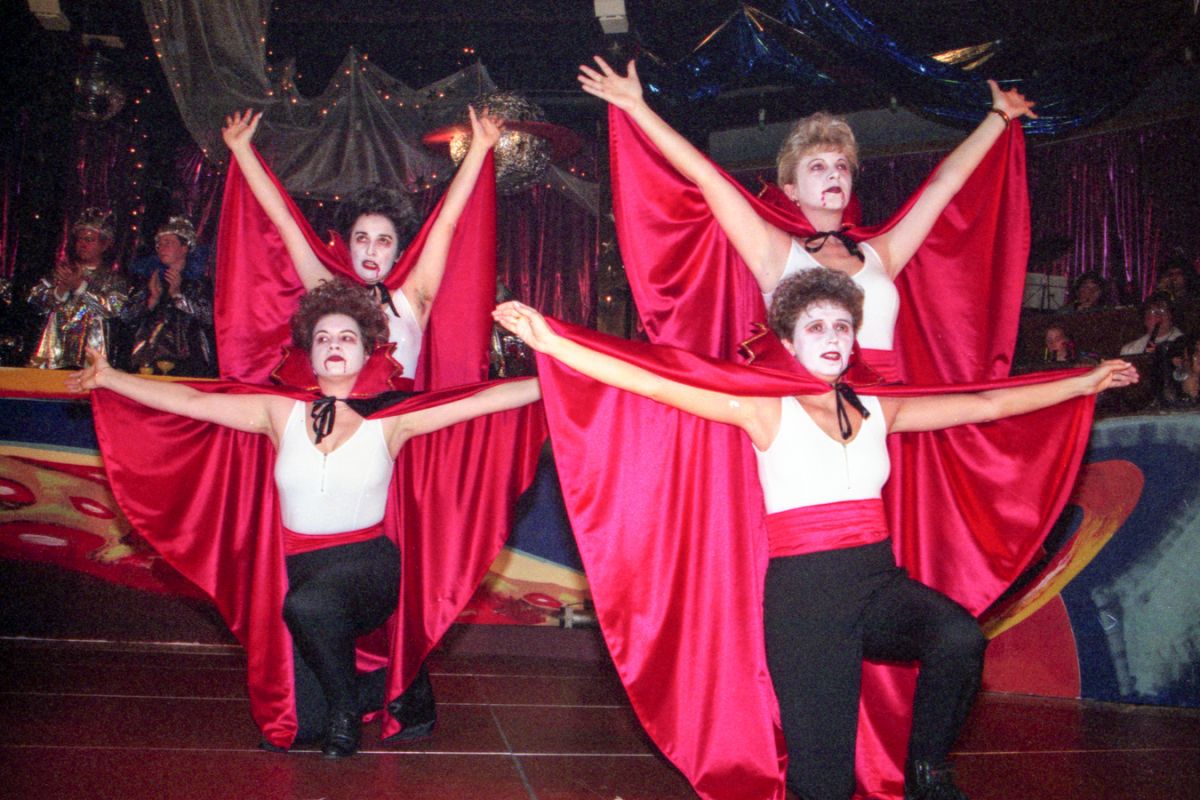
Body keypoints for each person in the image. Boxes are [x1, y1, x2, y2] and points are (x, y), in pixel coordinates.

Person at [494, 268, 1136, 800]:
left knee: (958, 637)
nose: (831, 335)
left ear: (854, 341)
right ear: (788, 341)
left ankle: (926, 772)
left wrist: (1083, 381)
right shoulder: (763, 409)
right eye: (815, 326)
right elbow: (655, 380)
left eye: (841, 326)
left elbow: (987, 403)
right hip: (806, 604)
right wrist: (553, 342)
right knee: (823, 785)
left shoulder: (881, 408)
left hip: (878, 583)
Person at [71, 279, 542, 758]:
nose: (334, 345)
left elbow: (482, 402)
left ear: (367, 353)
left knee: (308, 607)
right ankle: (393, 685)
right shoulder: (279, 412)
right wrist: (110, 378)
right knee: (303, 725)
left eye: (347, 338)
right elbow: (192, 403)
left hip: (368, 565)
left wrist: (560, 377)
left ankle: (346, 715)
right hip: (298, 566)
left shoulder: (393, 419)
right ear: (309, 355)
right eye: (323, 338)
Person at [578, 57, 1036, 378]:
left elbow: (944, 186)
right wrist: (636, 108)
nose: (834, 174)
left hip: (888, 406)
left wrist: (999, 116)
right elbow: (705, 177)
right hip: (805, 405)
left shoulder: (882, 253)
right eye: (817, 167)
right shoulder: (776, 252)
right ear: (791, 190)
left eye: (842, 166)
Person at [220, 106, 502, 382]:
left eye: (383, 241)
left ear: (398, 253)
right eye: (361, 238)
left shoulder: (413, 297)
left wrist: (479, 148)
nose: (370, 249)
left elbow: (447, 222)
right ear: (349, 245)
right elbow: (284, 223)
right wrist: (242, 150)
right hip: (334, 411)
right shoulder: (329, 293)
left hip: (399, 413)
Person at [27, 208, 128, 369]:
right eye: (80, 239)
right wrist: (60, 290)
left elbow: (115, 308)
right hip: (54, 354)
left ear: (104, 245)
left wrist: (80, 287)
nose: (82, 244)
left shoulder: (112, 279)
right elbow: (35, 300)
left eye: (89, 240)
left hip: (91, 356)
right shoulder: (62, 271)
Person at [122, 216, 216, 376]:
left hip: (187, 364)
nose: (161, 248)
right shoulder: (151, 280)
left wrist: (178, 295)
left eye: (168, 243)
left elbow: (209, 317)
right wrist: (152, 300)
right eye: (159, 244)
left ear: (184, 248)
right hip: (147, 361)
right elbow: (126, 316)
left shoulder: (199, 283)